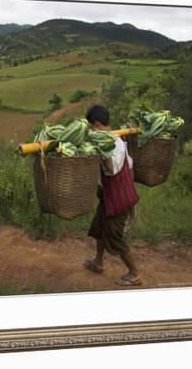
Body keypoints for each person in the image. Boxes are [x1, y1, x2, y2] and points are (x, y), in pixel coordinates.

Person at [83, 105, 142, 286]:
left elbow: (111, 169)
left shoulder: (113, 143)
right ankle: (98, 262)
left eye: (92, 127)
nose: (91, 131)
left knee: (114, 237)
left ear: (98, 125)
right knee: (99, 229)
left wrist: (103, 151)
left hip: (118, 200)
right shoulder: (116, 140)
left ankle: (134, 273)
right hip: (109, 196)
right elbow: (129, 164)